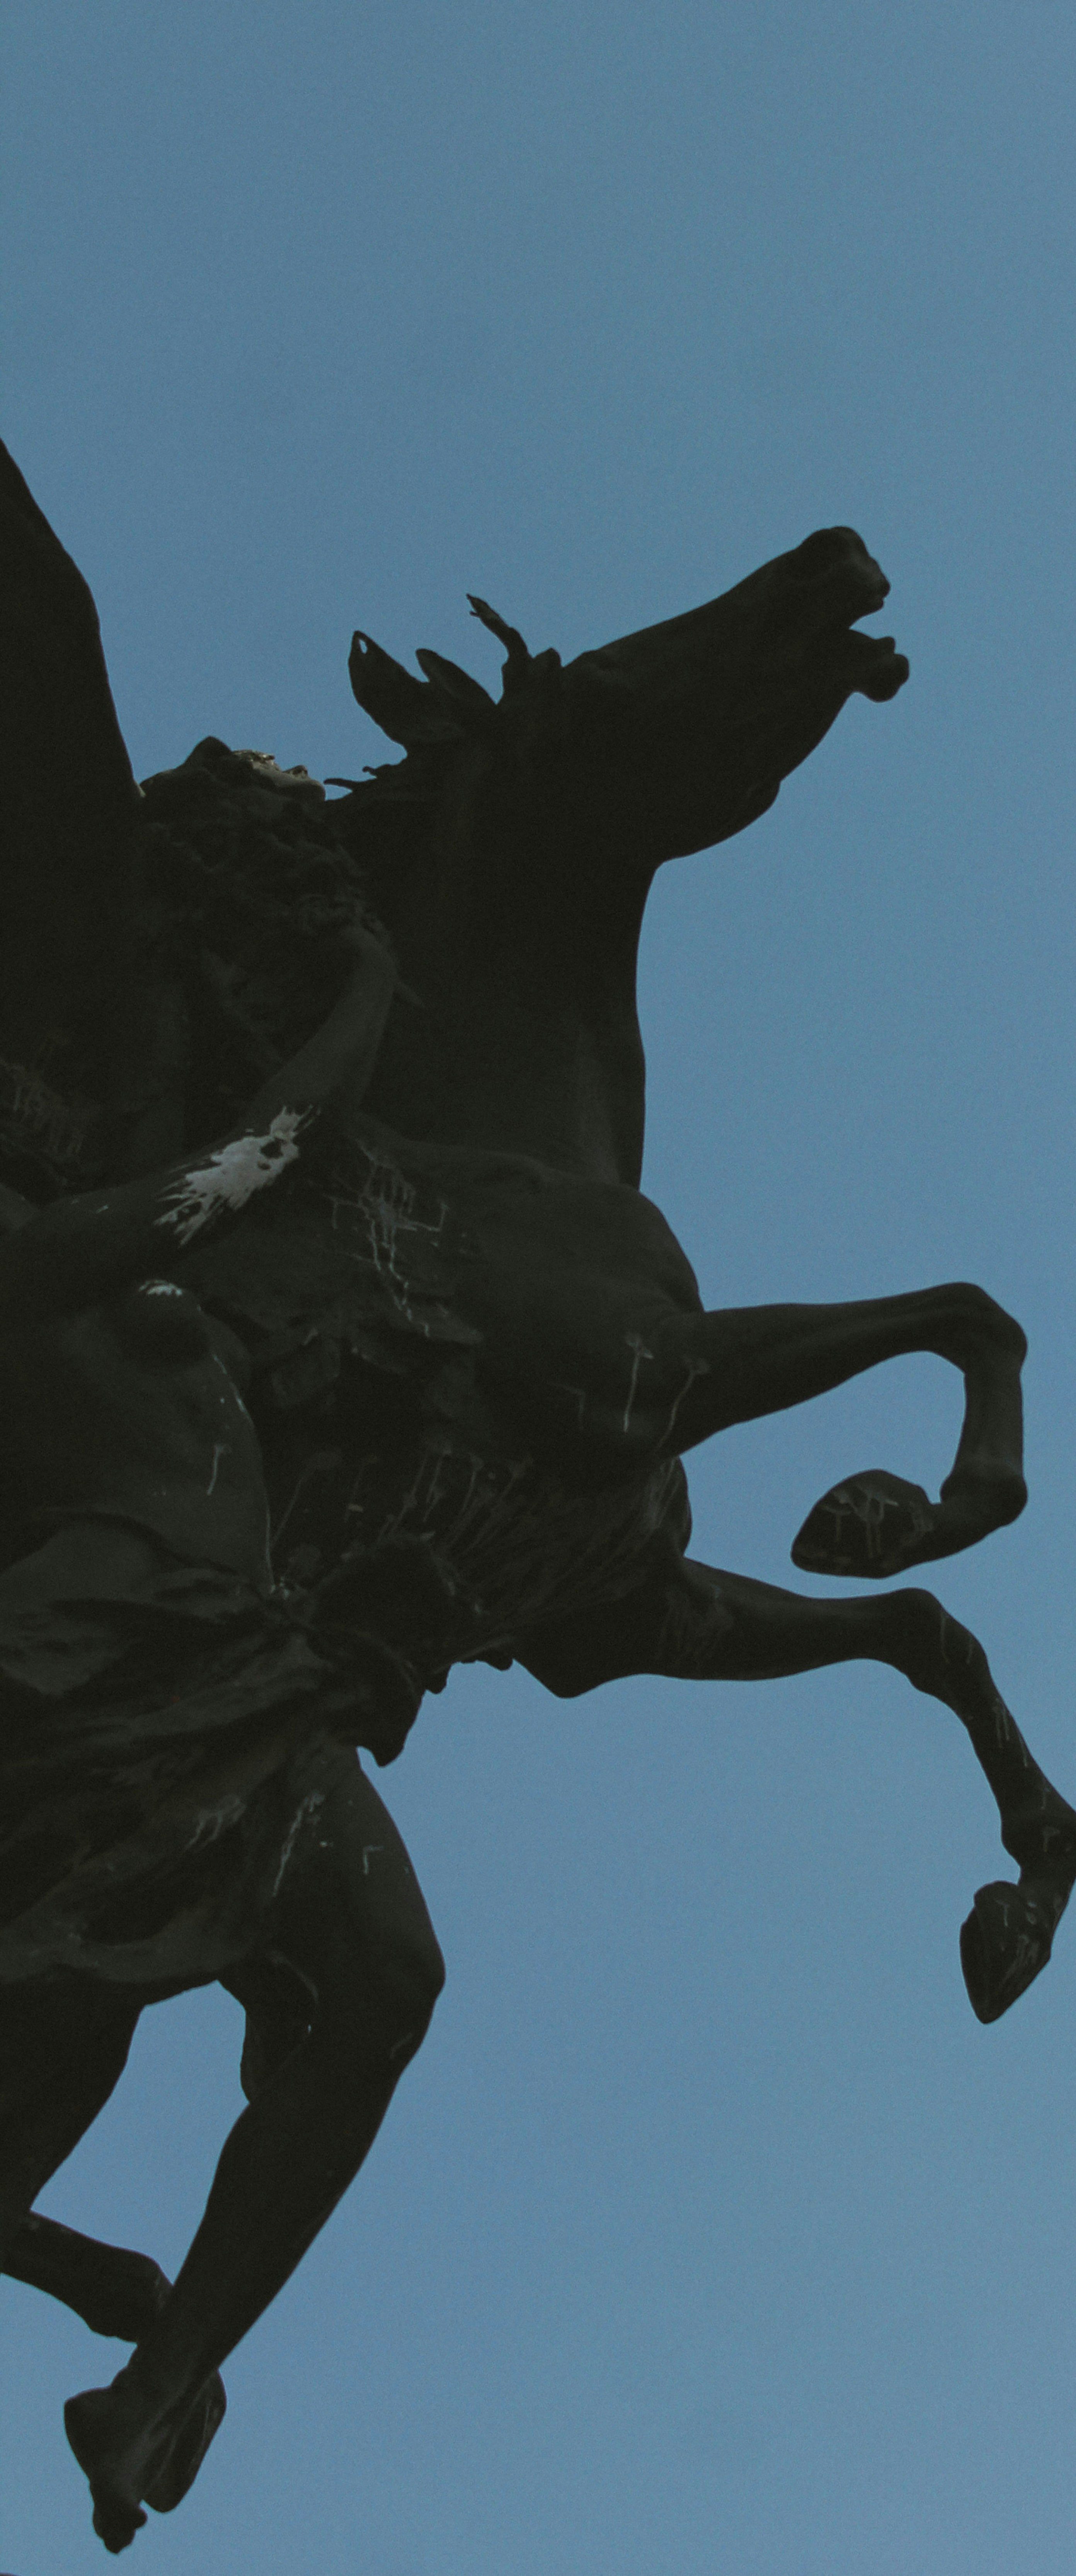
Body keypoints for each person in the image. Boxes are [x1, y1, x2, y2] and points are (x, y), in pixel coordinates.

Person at [0, 925, 454, 2553]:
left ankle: (151, 2363)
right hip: (135, 1647)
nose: (42, 1105)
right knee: (372, 1977)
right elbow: (263, 1146)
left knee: (356, 1981)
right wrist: (368, 998)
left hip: (220, 1655)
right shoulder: (36, 1250)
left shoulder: (81, 1260)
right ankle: (148, 2349)